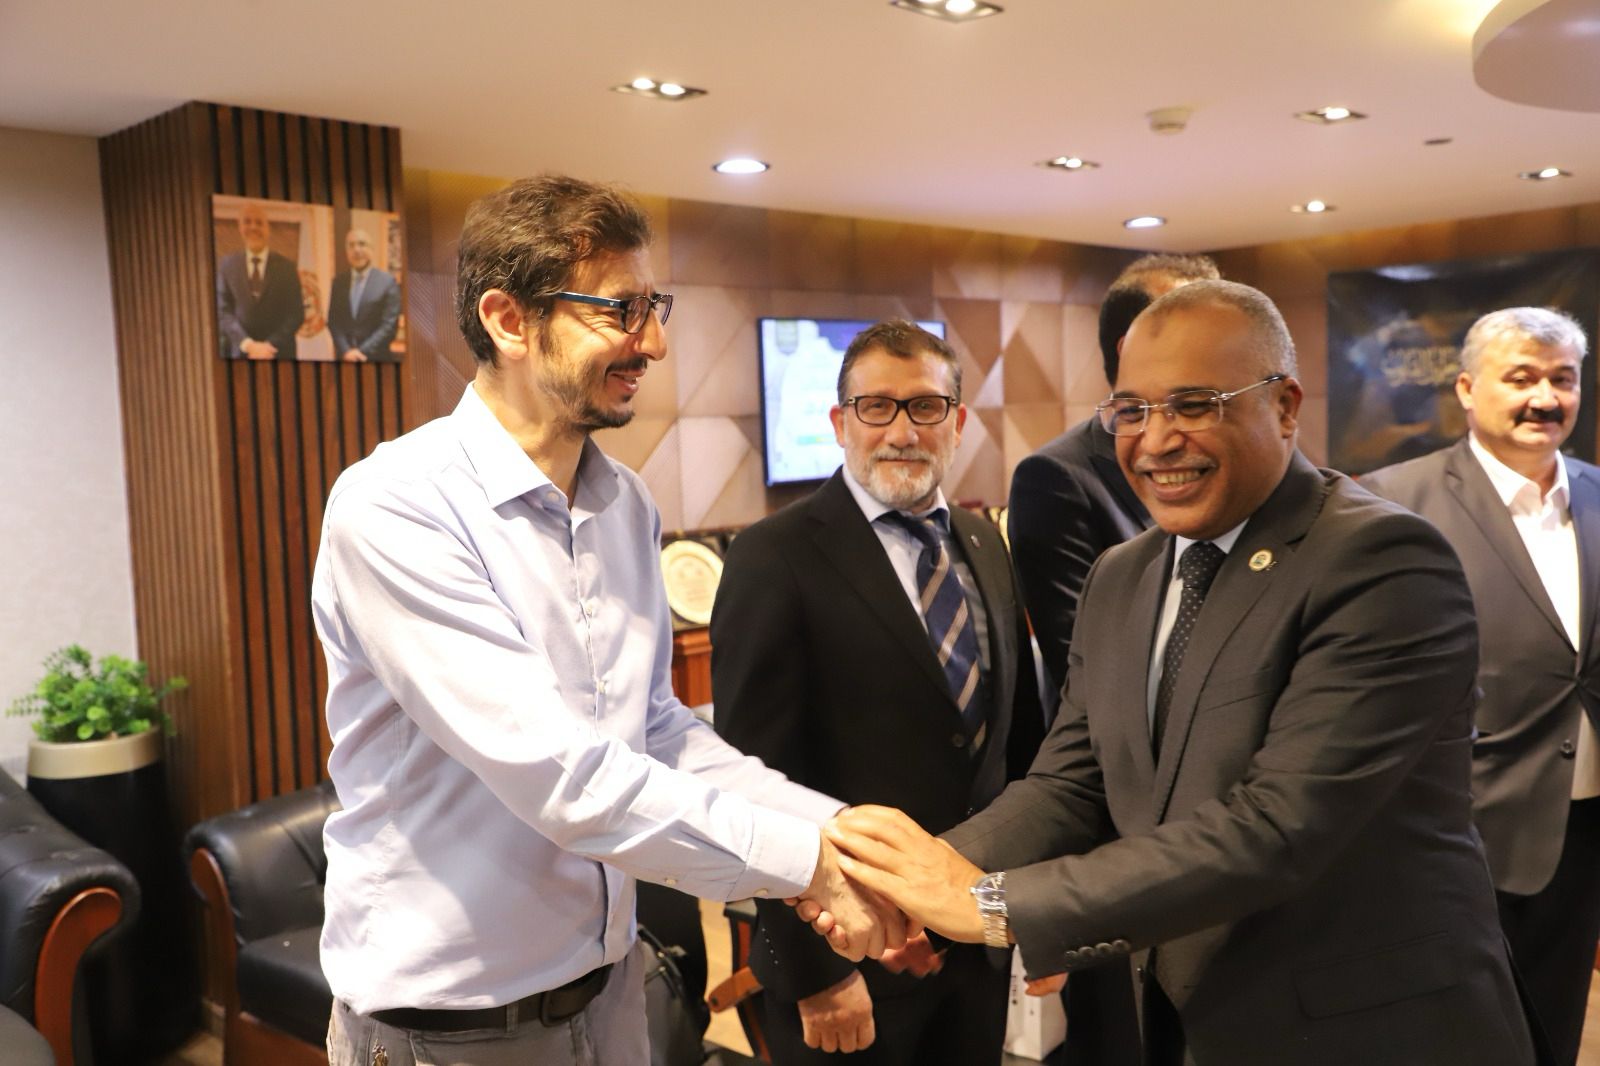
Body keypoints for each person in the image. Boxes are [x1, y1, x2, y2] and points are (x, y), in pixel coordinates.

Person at [820, 280, 1540, 1065]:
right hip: (1182, 1022)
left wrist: (990, 905)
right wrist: (916, 877)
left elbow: (1274, 829)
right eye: (1131, 410)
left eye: (1195, 405)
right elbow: (1072, 783)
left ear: (1285, 406)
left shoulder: (1381, 561)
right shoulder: (1122, 575)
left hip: (1368, 1032)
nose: (1156, 440)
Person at [310, 174, 899, 1066]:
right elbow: (564, 777)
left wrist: (846, 834)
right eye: (621, 310)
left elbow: (654, 732)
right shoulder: (398, 506)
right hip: (451, 1026)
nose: (653, 342)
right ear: (509, 320)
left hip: (612, 989)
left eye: (653, 307)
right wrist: (810, 865)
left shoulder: (625, 503)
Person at [712, 320, 1044, 1062]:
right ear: (840, 423)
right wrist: (817, 973)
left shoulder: (985, 543)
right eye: (876, 407)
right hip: (848, 959)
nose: (901, 431)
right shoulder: (774, 557)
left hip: (974, 944)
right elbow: (749, 783)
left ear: (957, 421)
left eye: (925, 406)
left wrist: (1029, 915)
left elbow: (1019, 750)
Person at [1362, 306, 1599, 1065]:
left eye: (1563, 380)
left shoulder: (1598, 493)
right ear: (1466, 389)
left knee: (1554, 1029)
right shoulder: (1391, 501)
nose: (1545, 398)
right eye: (1521, 378)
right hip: (1452, 829)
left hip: (1582, 832)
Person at [1006, 252, 1218, 1066]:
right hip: (1120, 823)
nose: (1165, 441)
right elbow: (1089, 692)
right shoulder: (1059, 480)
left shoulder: (1351, 537)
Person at [216, 200, 303, 360]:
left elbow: (296, 314)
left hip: (280, 354)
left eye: (259, 223)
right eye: (247, 222)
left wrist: (268, 346)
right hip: (239, 355)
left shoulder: (287, 267)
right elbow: (223, 312)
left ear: (268, 229)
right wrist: (248, 345)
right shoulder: (226, 265)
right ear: (240, 228)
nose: (253, 227)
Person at [328, 227, 402, 362]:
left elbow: (389, 326)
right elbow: (334, 321)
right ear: (346, 251)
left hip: (376, 360)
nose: (356, 250)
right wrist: (346, 351)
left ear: (371, 250)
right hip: (345, 359)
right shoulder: (338, 282)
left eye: (362, 244)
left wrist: (360, 352)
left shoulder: (387, 282)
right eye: (351, 245)